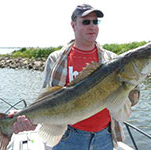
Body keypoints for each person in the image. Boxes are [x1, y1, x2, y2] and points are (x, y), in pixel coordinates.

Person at [9, 4, 140, 150]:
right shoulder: (56, 59)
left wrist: (133, 81)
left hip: (105, 137)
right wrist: (24, 116)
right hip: (68, 138)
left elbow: (132, 101)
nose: (92, 26)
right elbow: (46, 98)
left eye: (95, 22)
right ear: (73, 25)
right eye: (85, 21)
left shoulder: (112, 60)